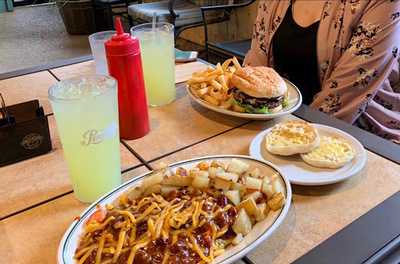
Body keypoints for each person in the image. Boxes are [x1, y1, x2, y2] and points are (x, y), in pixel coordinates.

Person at [244, 0, 400, 143]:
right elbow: (254, 75)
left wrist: (283, 137)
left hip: (361, 139)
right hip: (276, 125)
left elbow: (340, 99)